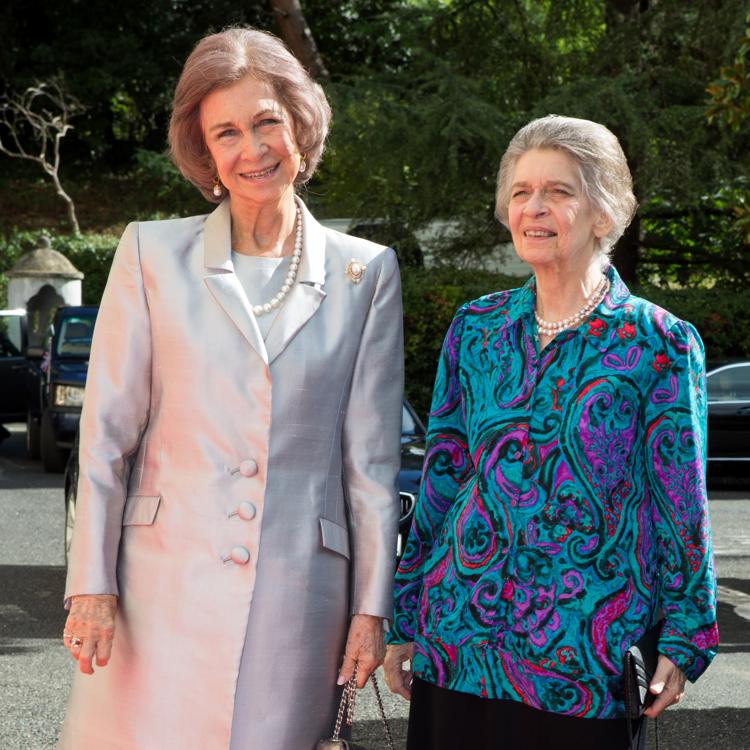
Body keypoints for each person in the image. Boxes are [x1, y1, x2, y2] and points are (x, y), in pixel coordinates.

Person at [58, 27, 403, 750]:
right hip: (155, 595)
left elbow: (369, 463)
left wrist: (372, 609)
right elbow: (106, 441)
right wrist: (90, 585)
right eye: (228, 132)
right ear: (205, 151)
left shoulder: (366, 273)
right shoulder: (151, 253)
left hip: (299, 602)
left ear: (300, 126)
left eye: (267, 121)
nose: (253, 148)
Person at [384, 115, 718, 750]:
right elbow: (445, 476)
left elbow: (682, 505)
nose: (534, 208)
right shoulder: (475, 329)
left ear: (604, 213)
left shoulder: (658, 344)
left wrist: (686, 632)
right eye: (520, 191)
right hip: (459, 639)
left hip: (585, 657)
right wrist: (408, 612)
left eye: (559, 192)